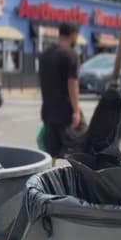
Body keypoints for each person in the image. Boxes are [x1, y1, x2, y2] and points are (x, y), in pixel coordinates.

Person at [37, 22, 83, 163]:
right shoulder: (70, 55)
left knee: (52, 151)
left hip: (48, 111)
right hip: (66, 112)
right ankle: (77, 179)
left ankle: (50, 179)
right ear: (73, 35)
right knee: (80, 147)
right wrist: (76, 111)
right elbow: (72, 83)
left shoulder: (45, 54)